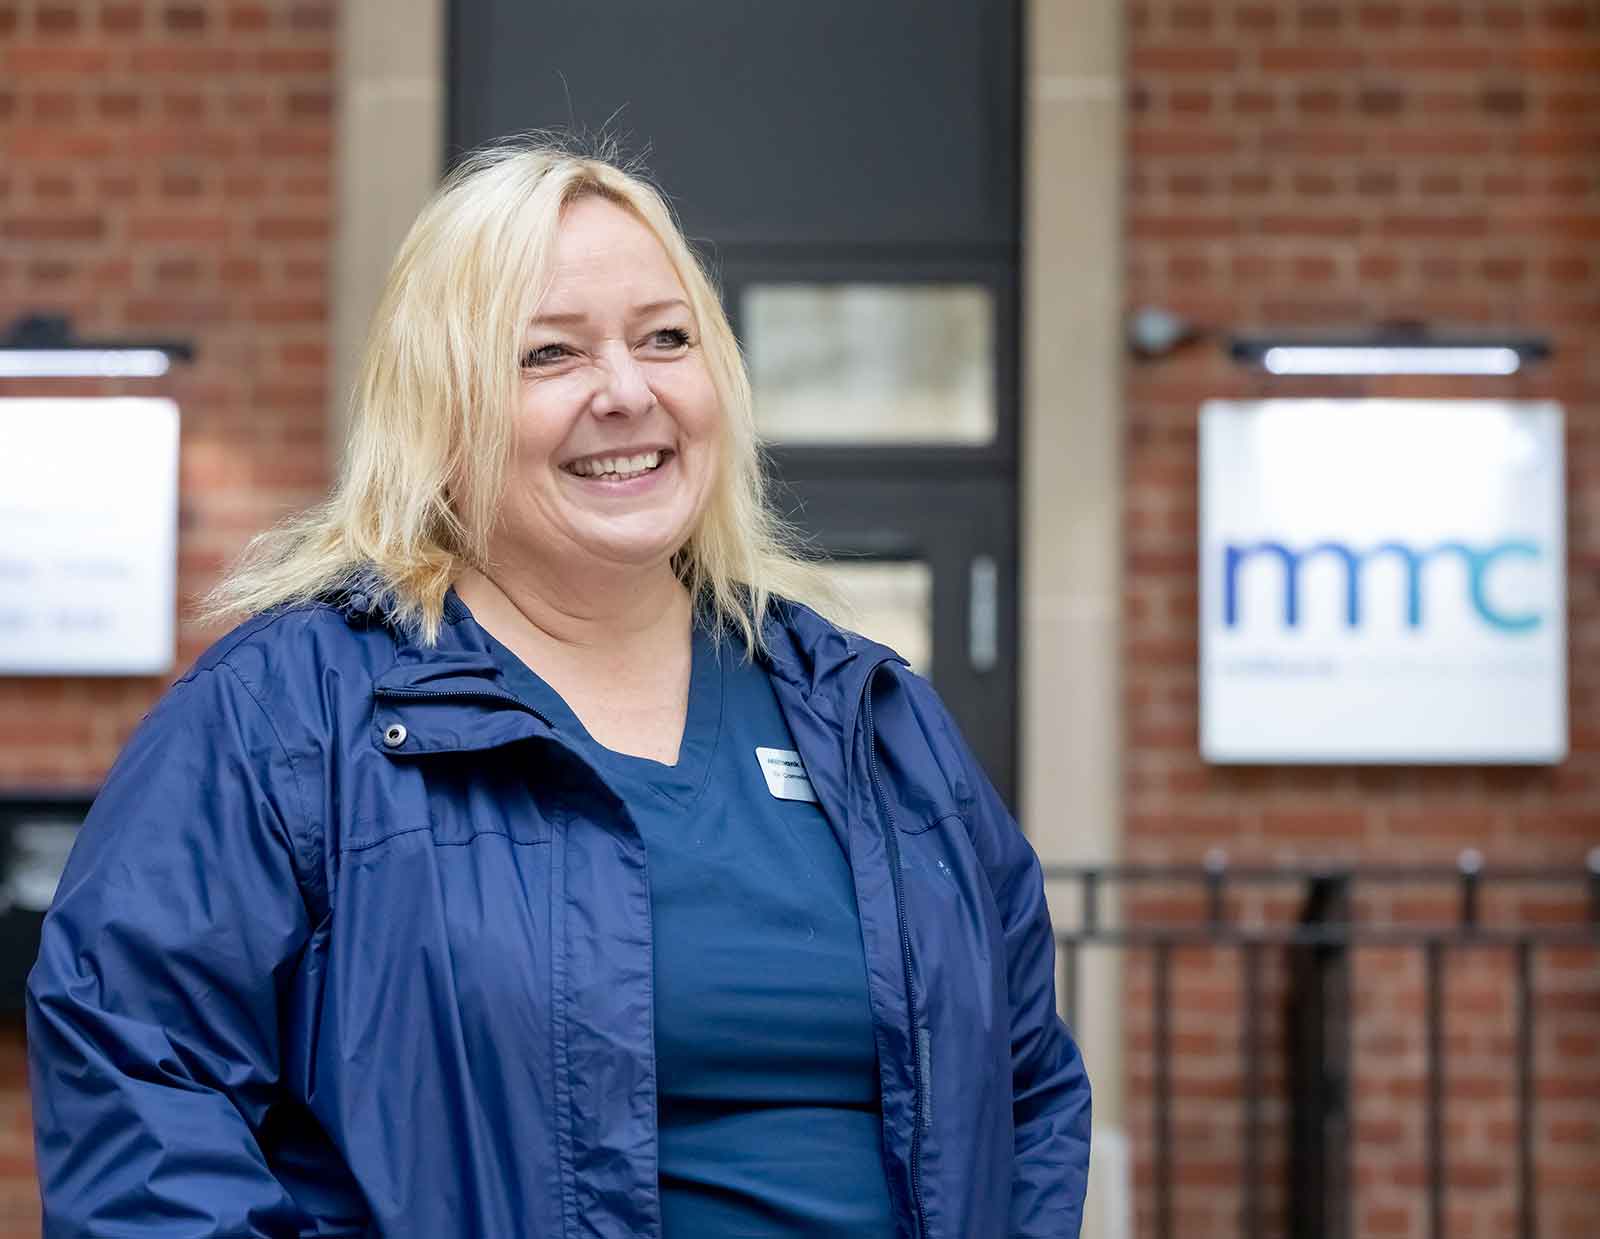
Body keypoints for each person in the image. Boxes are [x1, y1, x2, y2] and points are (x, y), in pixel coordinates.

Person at [27, 138, 1090, 1238]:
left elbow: (1026, 1086)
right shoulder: (283, 721)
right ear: (439, 412)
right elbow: (139, 1092)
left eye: (666, 338)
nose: (627, 392)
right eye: (550, 354)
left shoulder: (864, 712)